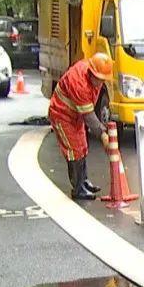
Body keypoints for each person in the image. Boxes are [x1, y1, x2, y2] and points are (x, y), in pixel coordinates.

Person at [47, 53, 112, 200]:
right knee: (74, 149)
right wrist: (103, 135)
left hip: (76, 114)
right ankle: (78, 188)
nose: (101, 82)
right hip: (61, 114)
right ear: (91, 73)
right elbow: (89, 116)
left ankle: (84, 181)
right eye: (99, 79)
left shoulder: (93, 76)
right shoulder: (80, 83)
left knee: (82, 146)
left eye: (103, 79)